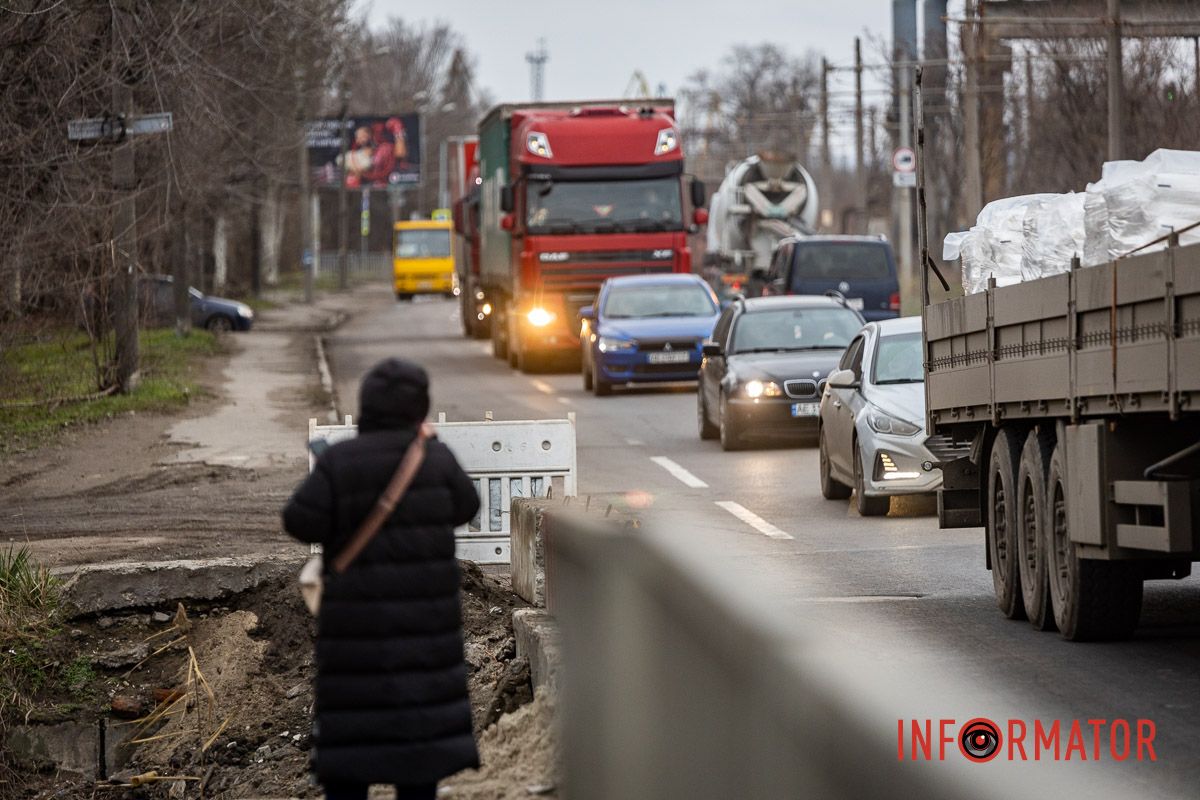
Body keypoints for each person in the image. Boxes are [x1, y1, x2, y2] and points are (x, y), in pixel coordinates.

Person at [282, 358, 481, 800]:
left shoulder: (339, 461)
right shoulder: (436, 460)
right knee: (419, 759)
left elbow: (298, 521)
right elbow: (467, 506)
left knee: (351, 755)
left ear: (366, 405)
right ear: (420, 408)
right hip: (425, 640)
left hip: (354, 641)